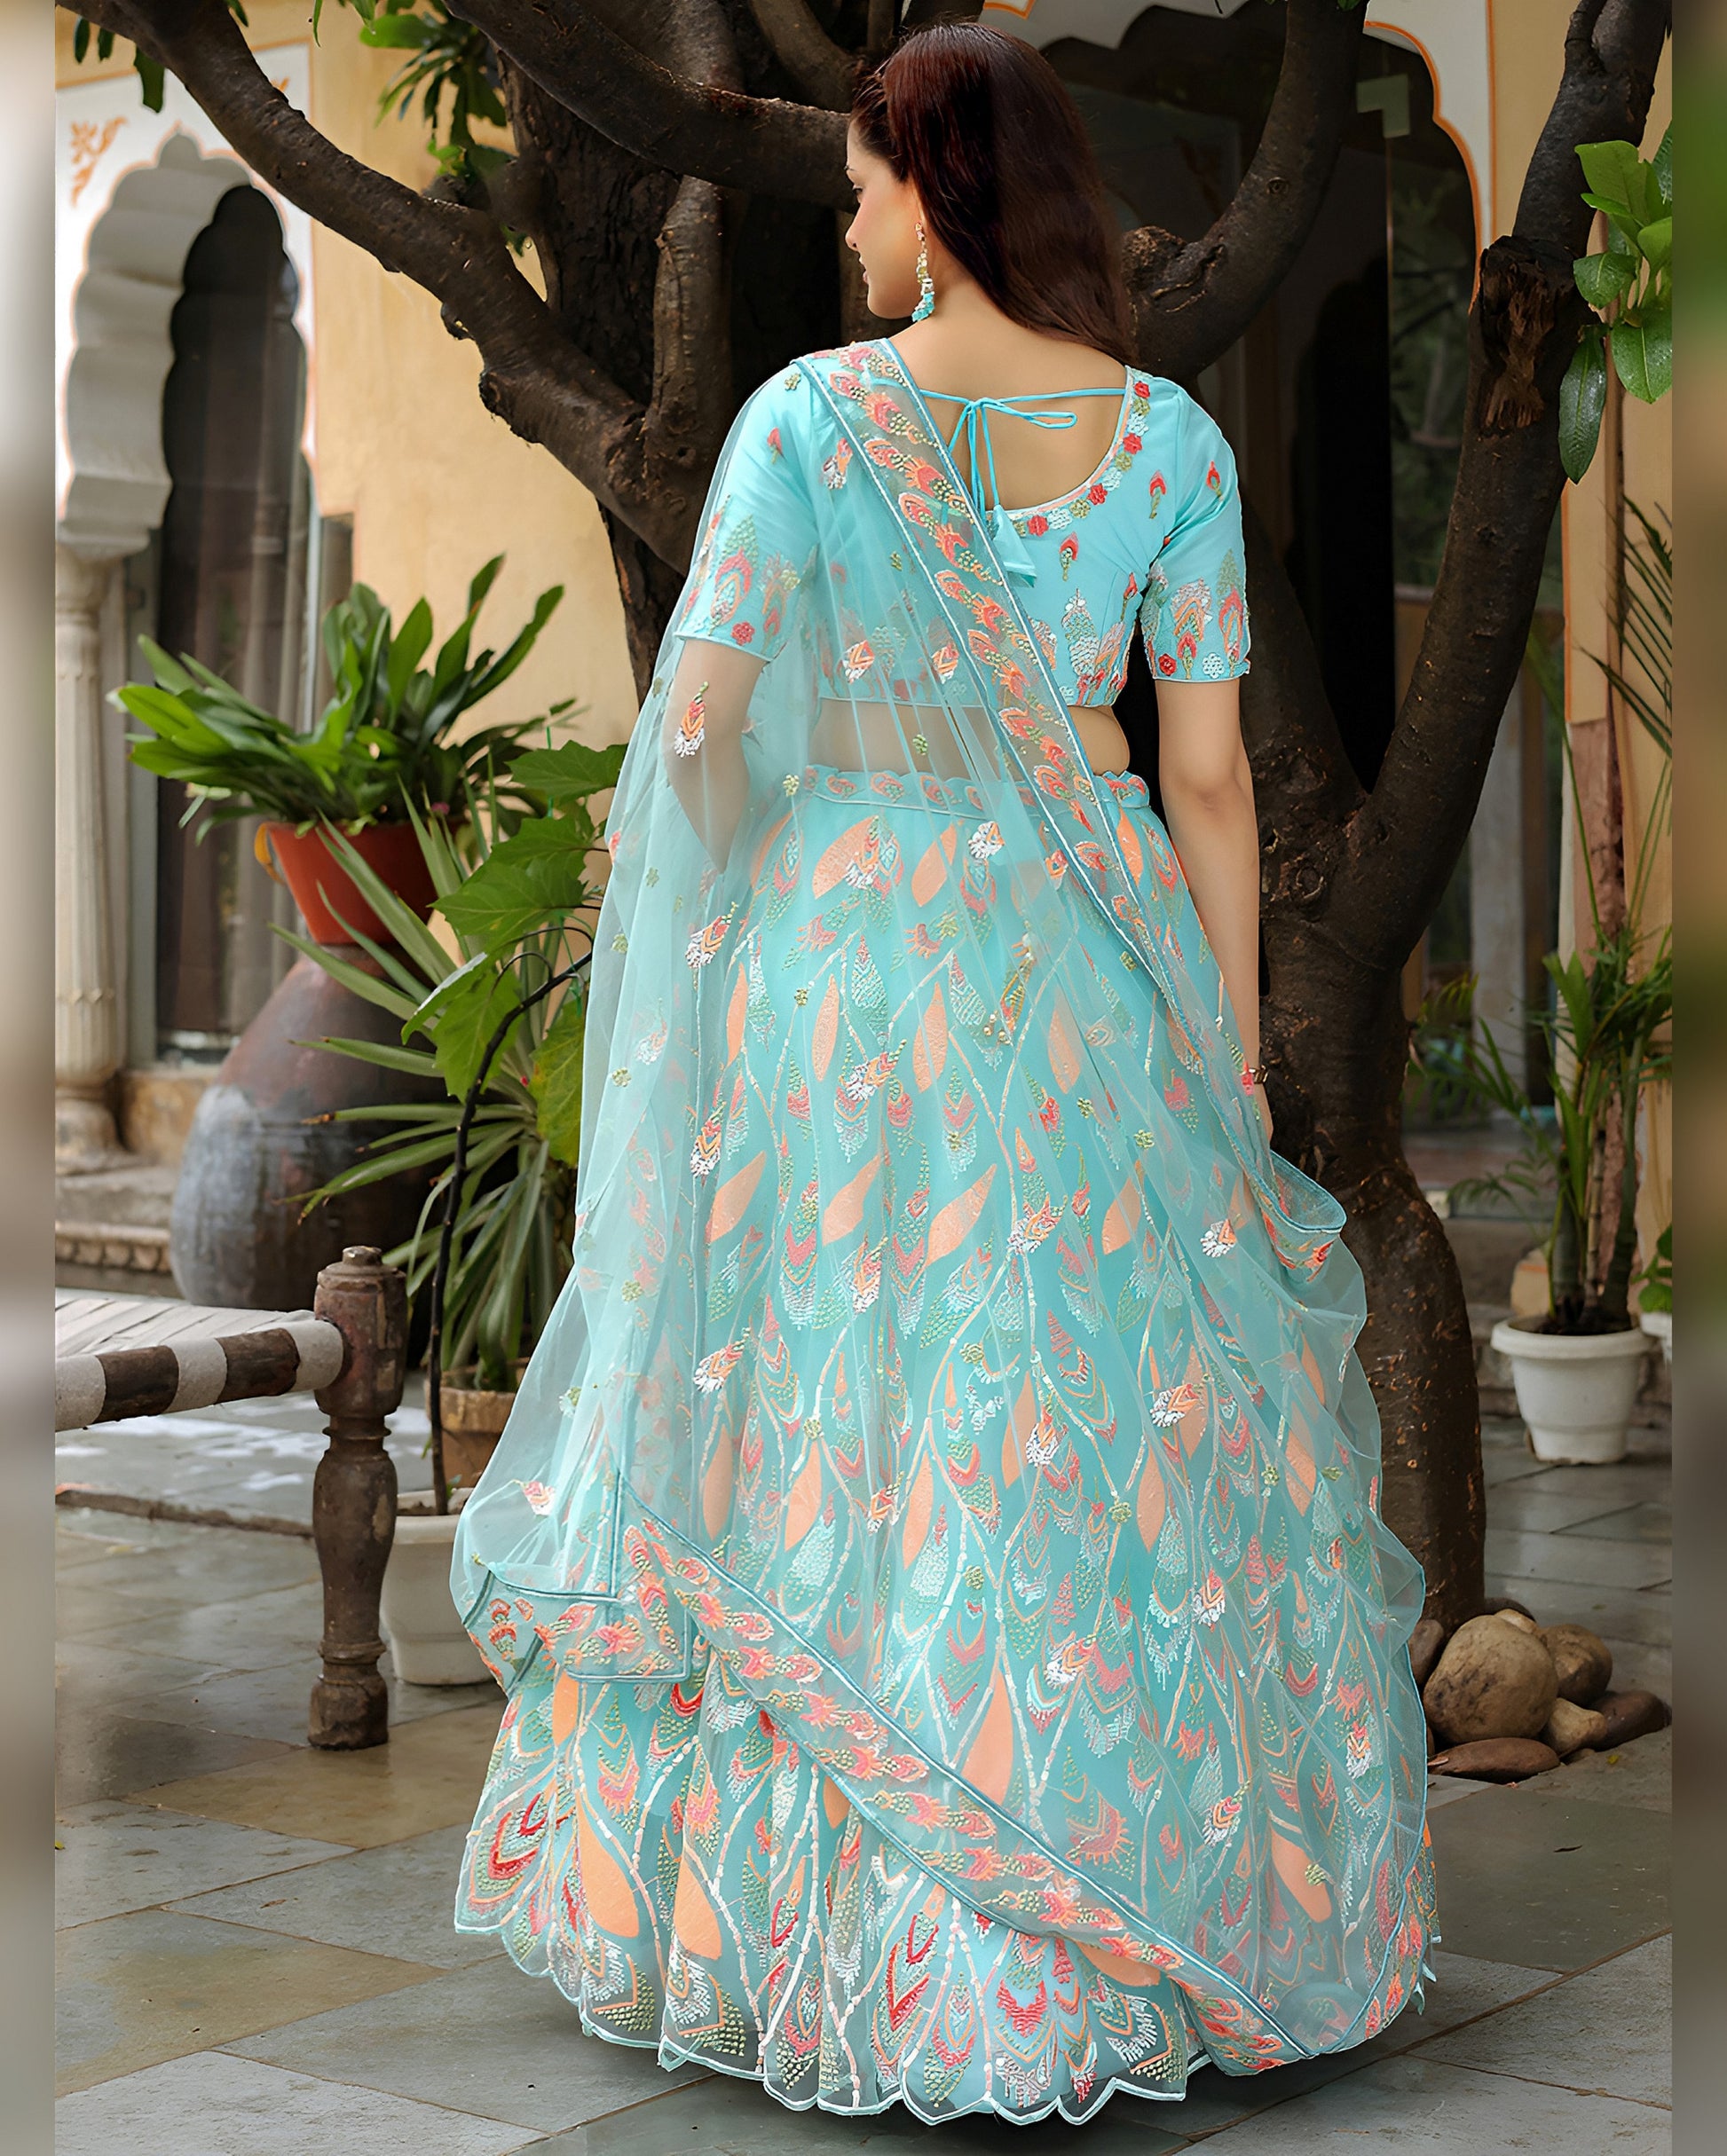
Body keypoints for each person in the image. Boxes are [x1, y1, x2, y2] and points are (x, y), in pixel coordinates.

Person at [452, 22, 1434, 2128]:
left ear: (940, 190)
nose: (861, 224)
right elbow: (1204, 787)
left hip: (848, 982)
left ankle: (837, 1933)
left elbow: (698, 728)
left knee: (837, 1401)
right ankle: (1113, 1899)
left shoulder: (816, 426)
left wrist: (706, 877)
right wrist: (1226, 1044)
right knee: (1069, 1413)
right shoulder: (1171, 443)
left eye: (874, 186)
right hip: (1090, 975)